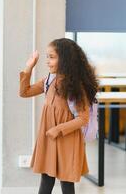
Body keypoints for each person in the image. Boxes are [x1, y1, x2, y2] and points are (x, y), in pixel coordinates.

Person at [19, 38, 98, 194]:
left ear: (65, 59)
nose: (47, 61)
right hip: (49, 139)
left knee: (66, 182)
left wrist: (58, 129)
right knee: (46, 178)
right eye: (47, 57)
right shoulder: (49, 80)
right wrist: (29, 68)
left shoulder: (75, 86)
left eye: (52, 57)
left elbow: (83, 118)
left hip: (66, 139)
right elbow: (24, 92)